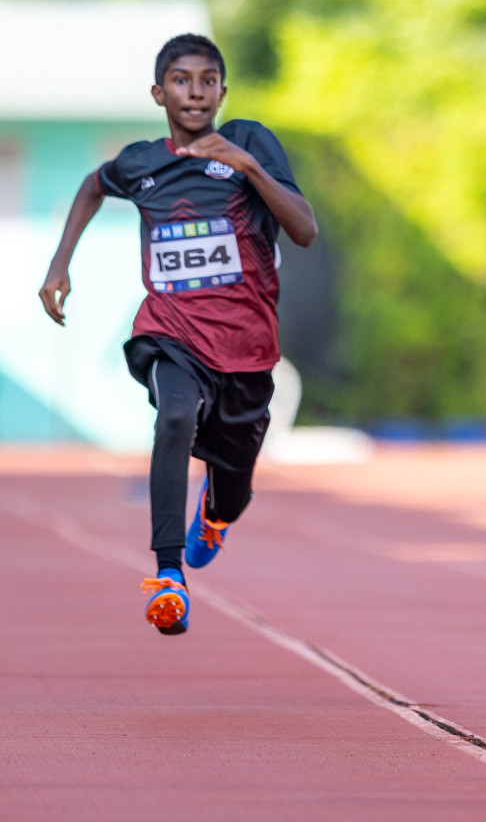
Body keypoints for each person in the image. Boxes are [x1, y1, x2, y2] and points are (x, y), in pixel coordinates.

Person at [38, 33, 317, 636]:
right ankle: (168, 576)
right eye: (182, 81)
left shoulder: (249, 141)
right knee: (173, 417)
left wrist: (247, 168)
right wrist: (60, 265)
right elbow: (92, 185)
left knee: (234, 492)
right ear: (159, 92)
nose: (195, 91)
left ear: (222, 89)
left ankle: (215, 513)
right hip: (171, 333)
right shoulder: (142, 163)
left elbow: (304, 229)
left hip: (246, 351)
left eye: (207, 80)